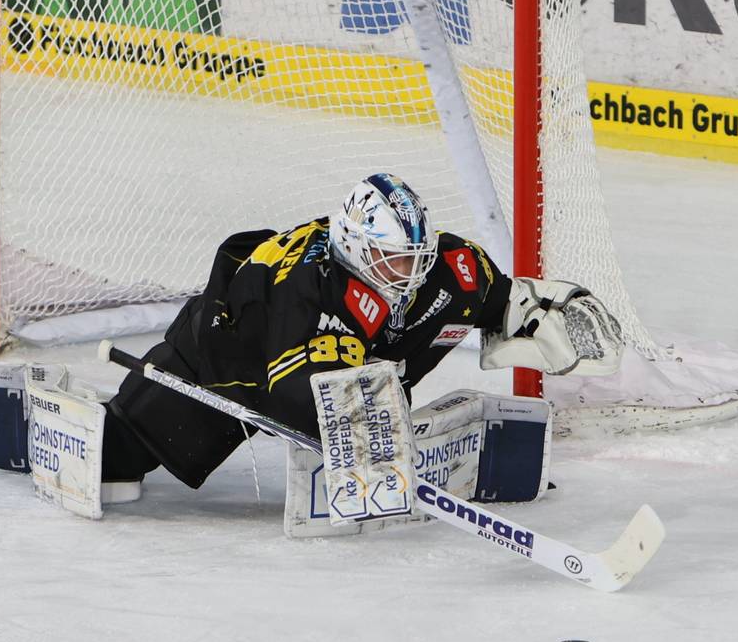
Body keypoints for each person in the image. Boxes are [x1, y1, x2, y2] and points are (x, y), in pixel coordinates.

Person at [100, 172, 621, 490]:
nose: (408, 274)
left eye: (415, 257)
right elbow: (302, 402)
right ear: (354, 246)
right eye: (392, 259)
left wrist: (531, 310)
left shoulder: (451, 269)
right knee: (118, 460)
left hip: (319, 357)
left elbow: (502, 300)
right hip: (221, 359)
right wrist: (378, 438)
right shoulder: (308, 292)